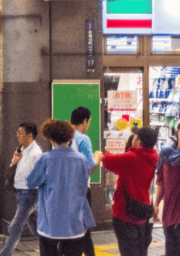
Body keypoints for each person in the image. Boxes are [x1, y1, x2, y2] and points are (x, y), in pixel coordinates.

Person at [26, 119, 97, 256]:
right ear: (69, 136)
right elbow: (83, 188)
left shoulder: (46, 159)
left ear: (50, 137)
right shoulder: (81, 159)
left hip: (49, 224)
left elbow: (30, 182)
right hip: (75, 223)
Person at [100, 127, 158, 256]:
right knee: (140, 251)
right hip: (142, 214)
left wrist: (101, 155)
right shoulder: (152, 158)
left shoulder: (131, 157)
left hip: (125, 214)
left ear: (138, 141)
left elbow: (107, 161)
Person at [0, 123, 44, 256]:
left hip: (30, 194)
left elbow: (40, 177)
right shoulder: (22, 150)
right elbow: (13, 171)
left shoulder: (36, 154)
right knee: (37, 228)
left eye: (20, 133)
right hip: (21, 193)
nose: (17, 135)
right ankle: (53, 249)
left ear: (29, 135)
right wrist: (14, 162)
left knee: (15, 226)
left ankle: (5, 254)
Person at [154, 117, 180, 256]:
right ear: (178, 130)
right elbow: (162, 183)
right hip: (169, 215)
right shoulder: (166, 155)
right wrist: (156, 204)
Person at [70, 107, 99, 256]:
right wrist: (98, 157)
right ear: (85, 120)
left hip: (65, 189)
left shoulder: (64, 136)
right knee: (84, 228)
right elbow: (90, 166)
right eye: (89, 121)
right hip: (81, 190)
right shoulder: (83, 139)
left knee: (77, 229)